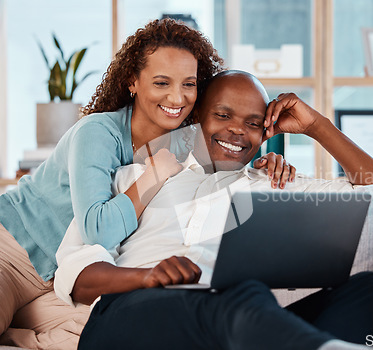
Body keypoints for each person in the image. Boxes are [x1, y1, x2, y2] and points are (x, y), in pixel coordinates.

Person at [53, 70, 373, 349]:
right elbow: (76, 269)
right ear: (195, 118)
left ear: (268, 131)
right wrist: (146, 277)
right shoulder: (139, 176)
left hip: (238, 325)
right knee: (246, 295)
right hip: (130, 313)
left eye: (251, 123)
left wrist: (318, 127)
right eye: (222, 115)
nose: (236, 132)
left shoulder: (271, 180)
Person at [0, 20, 293, 349]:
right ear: (132, 82)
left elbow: (219, 171)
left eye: (189, 84)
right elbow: (98, 230)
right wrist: (153, 175)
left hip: (59, 276)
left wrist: (265, 163)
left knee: (95, 332)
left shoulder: (183, 143)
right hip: (15, 253)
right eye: (162, 82)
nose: (177, 96)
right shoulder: (97, 133)